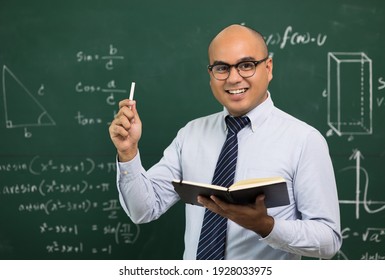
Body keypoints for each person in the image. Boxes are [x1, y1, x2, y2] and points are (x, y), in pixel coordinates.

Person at [109, 24, 342, 260]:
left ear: (268, 68)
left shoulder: (304, 140)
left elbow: (328, 239)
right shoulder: (191, 134)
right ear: (211, 74)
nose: (233, 78)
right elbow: (144, 209)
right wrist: (128, 152)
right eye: (222, 68)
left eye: (246, 65)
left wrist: (266, 226)